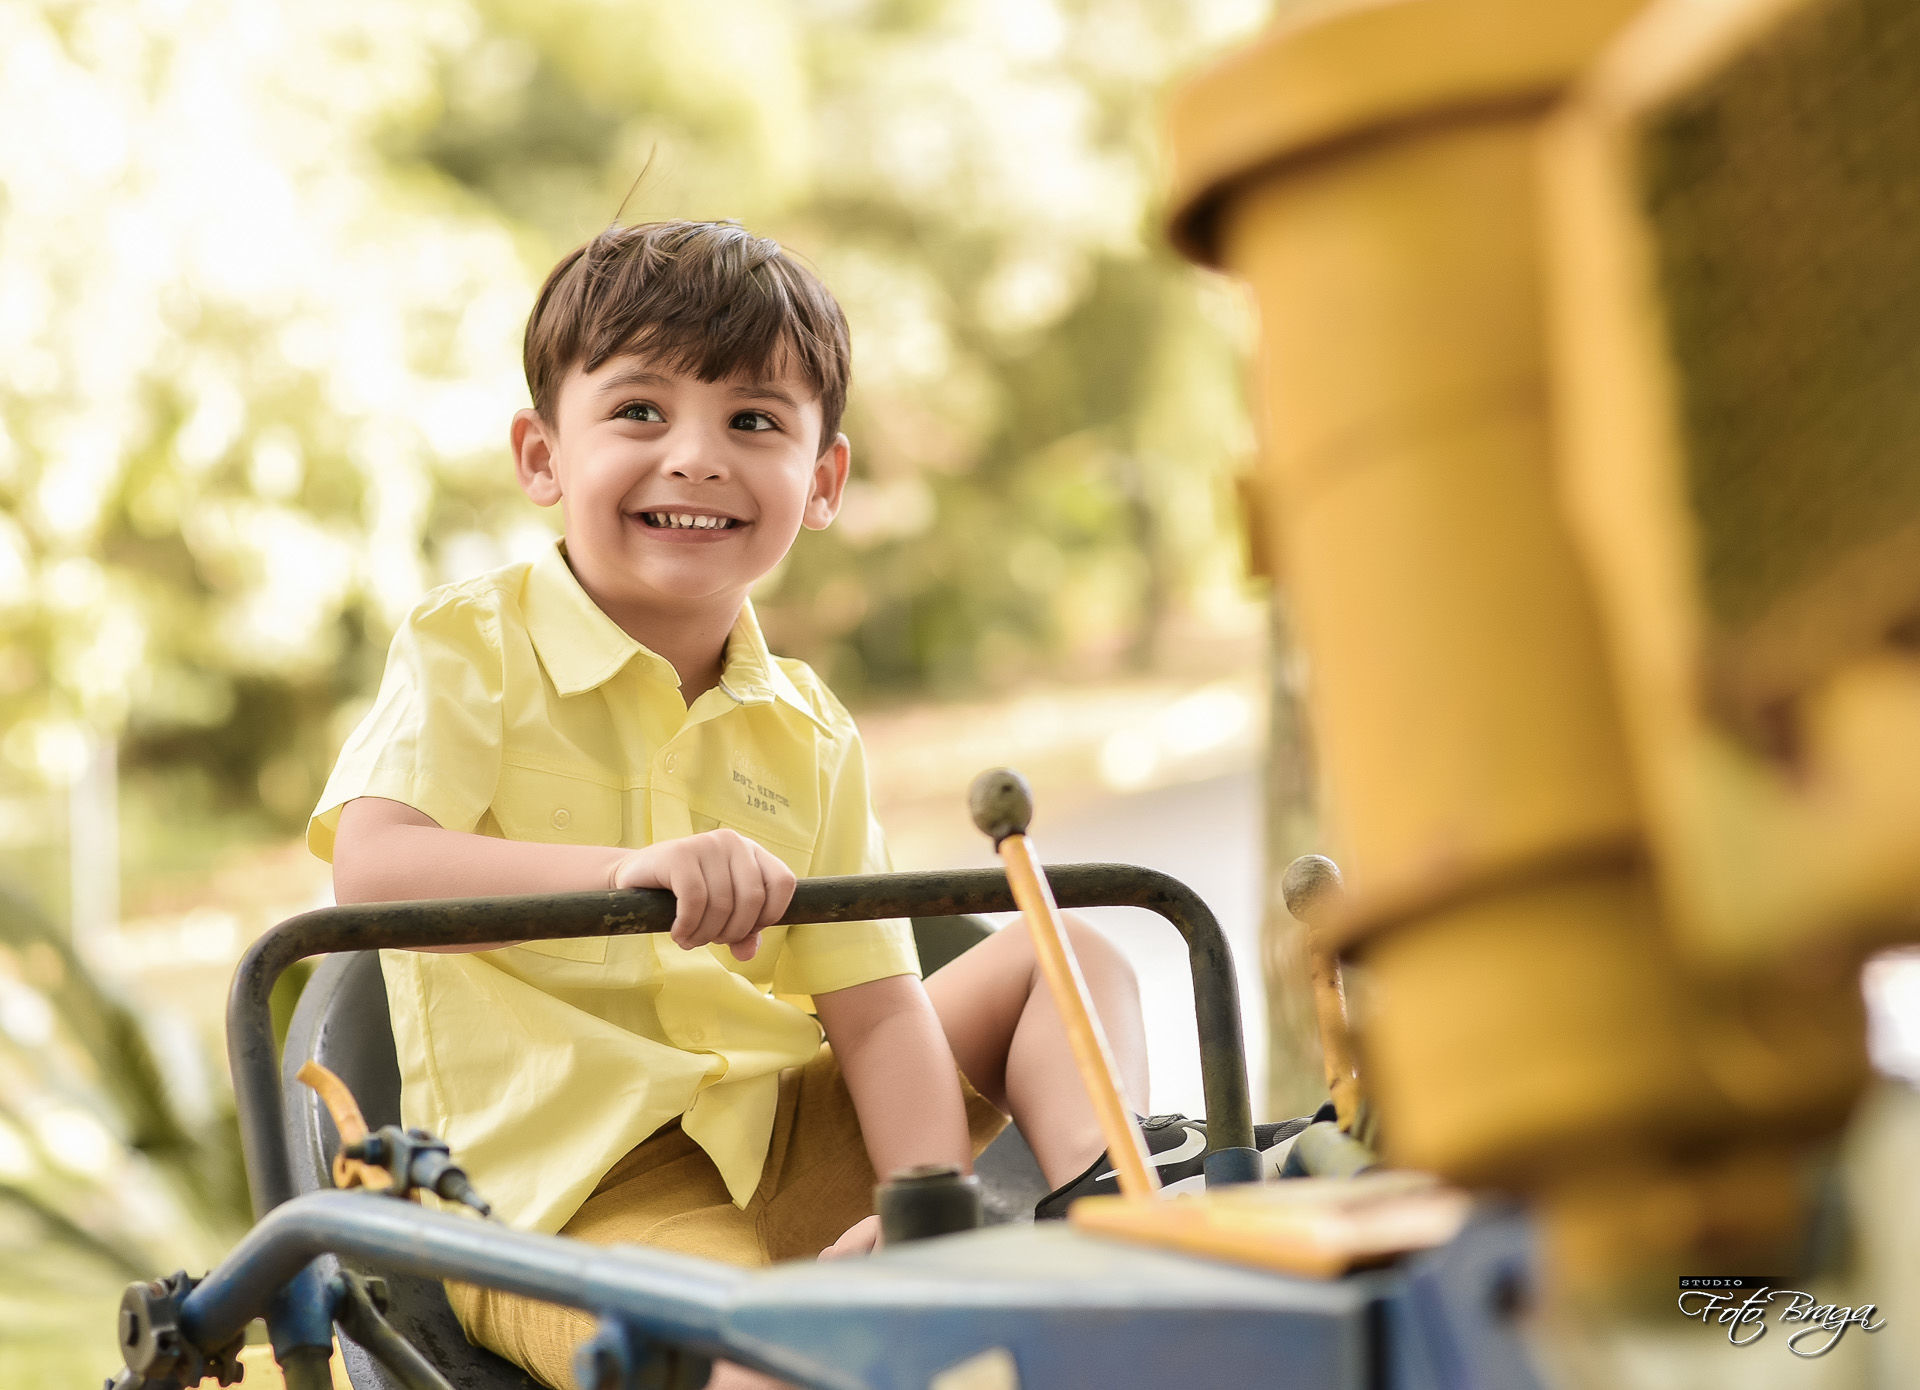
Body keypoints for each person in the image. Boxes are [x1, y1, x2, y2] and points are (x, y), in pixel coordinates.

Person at [310, 219, 1304, 1389]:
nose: (696, 456)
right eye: (639, 412)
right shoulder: (468, 647)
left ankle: (1109, 1221)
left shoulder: (807, 726)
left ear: (821, 480)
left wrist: (918, 1215)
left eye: (753, 421)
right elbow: (374, 867)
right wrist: (623, 873)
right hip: (574, 1204)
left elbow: (877, 1012)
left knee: (1065, 950)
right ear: (543, 457)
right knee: (771, 1357)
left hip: (779, 1134)